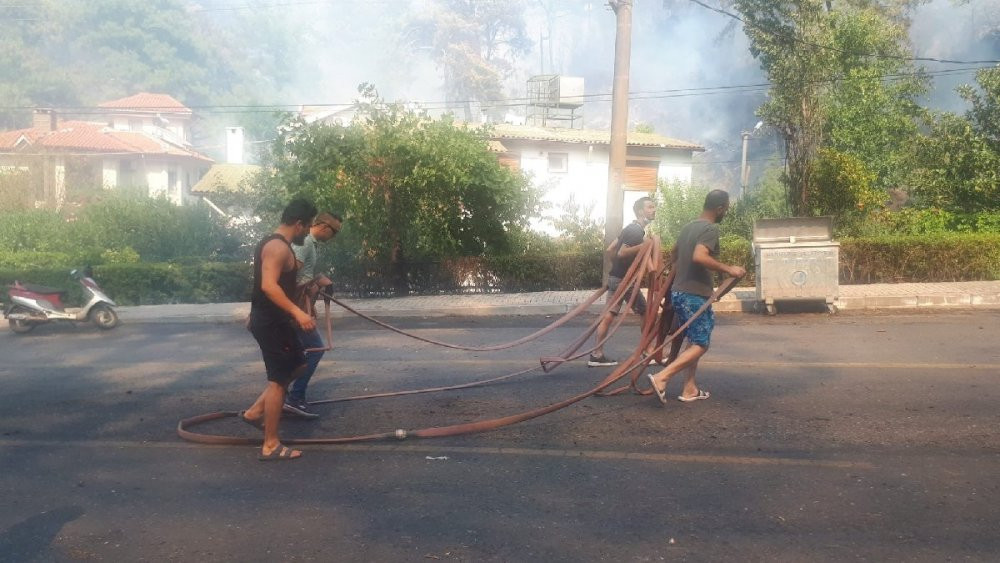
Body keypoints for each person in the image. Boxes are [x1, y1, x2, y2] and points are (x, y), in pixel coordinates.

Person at [647, 189, 745, 404]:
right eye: (725, 210)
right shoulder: (709, 229)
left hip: (680, 293)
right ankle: (662, 377)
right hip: (694, 295)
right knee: (701, 343)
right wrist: (729, 269)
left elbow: (674, 254)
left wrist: (680, 274)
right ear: (719, 208)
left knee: (693, 341)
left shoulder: (688, 227)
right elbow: (699, 256)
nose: (725, 213)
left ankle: (689, 388)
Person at [239, 198, 318, 461]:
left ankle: (253, 413)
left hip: (274, 320)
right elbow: (268, 286)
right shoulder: (276, 247)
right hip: (271, 323)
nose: (308, 233)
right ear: (299, 224)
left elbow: (277, 286)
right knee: (278, 381)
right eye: (307, 227)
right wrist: (297, 312)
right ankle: (270, 445)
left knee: (298, 365)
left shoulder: (279, 245)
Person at [283, 212, 343, 418]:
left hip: (298, 304)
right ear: (325, 227)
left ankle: (281, 397)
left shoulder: (310, 242)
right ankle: (294, 398)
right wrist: (312, 286)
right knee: (315, 349)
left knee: (296, 353)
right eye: (334, 233)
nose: (333, 238)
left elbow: (302, 273)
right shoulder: (306, 242)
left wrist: (317, 279)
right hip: (296, 306)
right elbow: (290, 273)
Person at [589, 196, 657, 367]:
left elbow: (611, 249)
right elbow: (621, 253)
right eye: (650, 207)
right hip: (625, 282)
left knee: (609, 315)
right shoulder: (636, 231)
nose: (654, 210)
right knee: (645, 312)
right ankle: (647, 351)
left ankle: (596, 354)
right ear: (641, 211)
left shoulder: (629, 228)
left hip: (616, 278)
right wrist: (645, 245)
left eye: (654, 207)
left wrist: (617, 268)